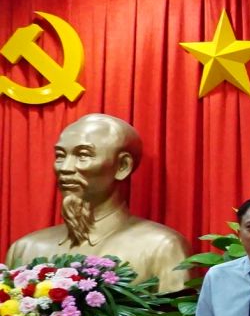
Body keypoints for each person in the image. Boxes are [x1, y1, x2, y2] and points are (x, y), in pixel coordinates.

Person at [6, 113, 189, 291]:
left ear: (122, 166)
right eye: (60, 155)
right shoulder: (25, 249)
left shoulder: (162, 247)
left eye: (83, 155)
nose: (65, 168)